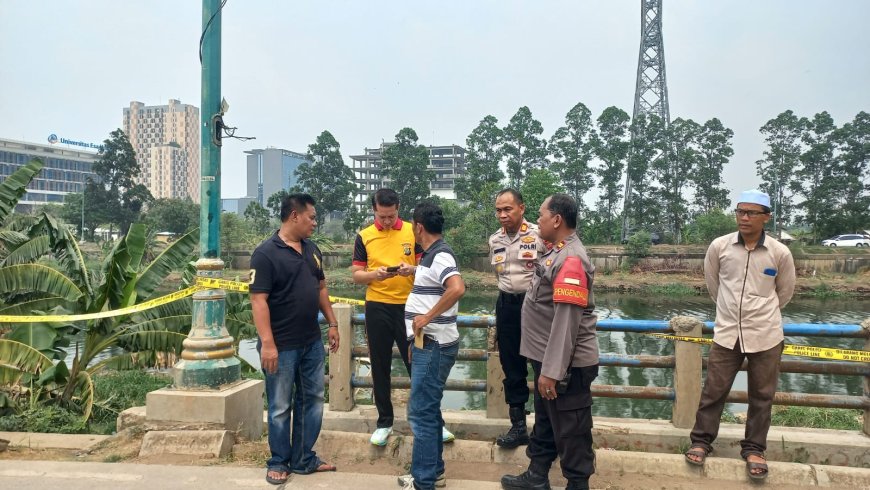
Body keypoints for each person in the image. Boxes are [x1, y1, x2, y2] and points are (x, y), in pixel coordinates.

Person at [684, 189, 795, 481]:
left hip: (766, 335)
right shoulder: (720, 247)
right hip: (727, 334)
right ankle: (701, 441)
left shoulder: (779, 252)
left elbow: (784, 293)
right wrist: (731, 311)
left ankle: (755, 449)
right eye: (740, 211)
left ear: (766, 217)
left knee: (762, 395)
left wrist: (759, 312)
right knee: (713, 391)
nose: (744, 217)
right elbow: (713, 286)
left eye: (751, 212)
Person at [501, 194, 599, 490]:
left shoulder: (570, 259)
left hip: (565, 365)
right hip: (548, 359)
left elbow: (566, 321)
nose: (538, 222)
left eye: (541, 216)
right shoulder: (555, 251)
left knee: (572, 427)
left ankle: (577, 484)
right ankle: (537, 475)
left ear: (556, 220)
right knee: (545, 420)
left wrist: (553, 371)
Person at [249, 193, 341, 485]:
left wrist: (333, 323)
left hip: (311, 342)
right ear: (294, 216)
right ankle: (278, 461)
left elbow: (321, 288)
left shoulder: (312, 249)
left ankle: (303, 458)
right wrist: (268, 344)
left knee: (312, 399)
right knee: (279, 406)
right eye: (312, 217)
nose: (315, 222)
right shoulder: (265, 254)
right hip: (281, 345)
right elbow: (258, 301)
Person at [351, 188, 455, 446]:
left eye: (391, 216)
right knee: (379, 366)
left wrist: (409, 271)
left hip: (410, 309)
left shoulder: (413, 231)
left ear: (398, 208)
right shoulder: (364, 236)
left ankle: (435, 422)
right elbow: (356, 274)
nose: (387, 221)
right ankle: (384, 422)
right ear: (374, 210)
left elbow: (426, 268)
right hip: (377, 306)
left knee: (419, 367)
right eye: (382, 216)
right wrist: (376, 275)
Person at [398, 201, 466, 490]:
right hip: (428, 342)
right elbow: (435, 283)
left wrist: (426, 317)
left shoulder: (440, 254)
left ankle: (423, 481)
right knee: (429, 408)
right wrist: (412, 270)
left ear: (418, 227)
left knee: (421, 411)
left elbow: (457, 287)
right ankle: (433, 471)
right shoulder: (430, 255)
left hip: (435, 343)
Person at [488, 189, 545, 448]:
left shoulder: (539, 235)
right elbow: (501, 276)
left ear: (521, 208)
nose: (502, 215)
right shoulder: (494, 240)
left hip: (534, 306)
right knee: (512, 367)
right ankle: (518, 426)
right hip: (506, 306)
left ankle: (545, 428)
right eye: (499, 210)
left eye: (507, 209)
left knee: (542, 366)